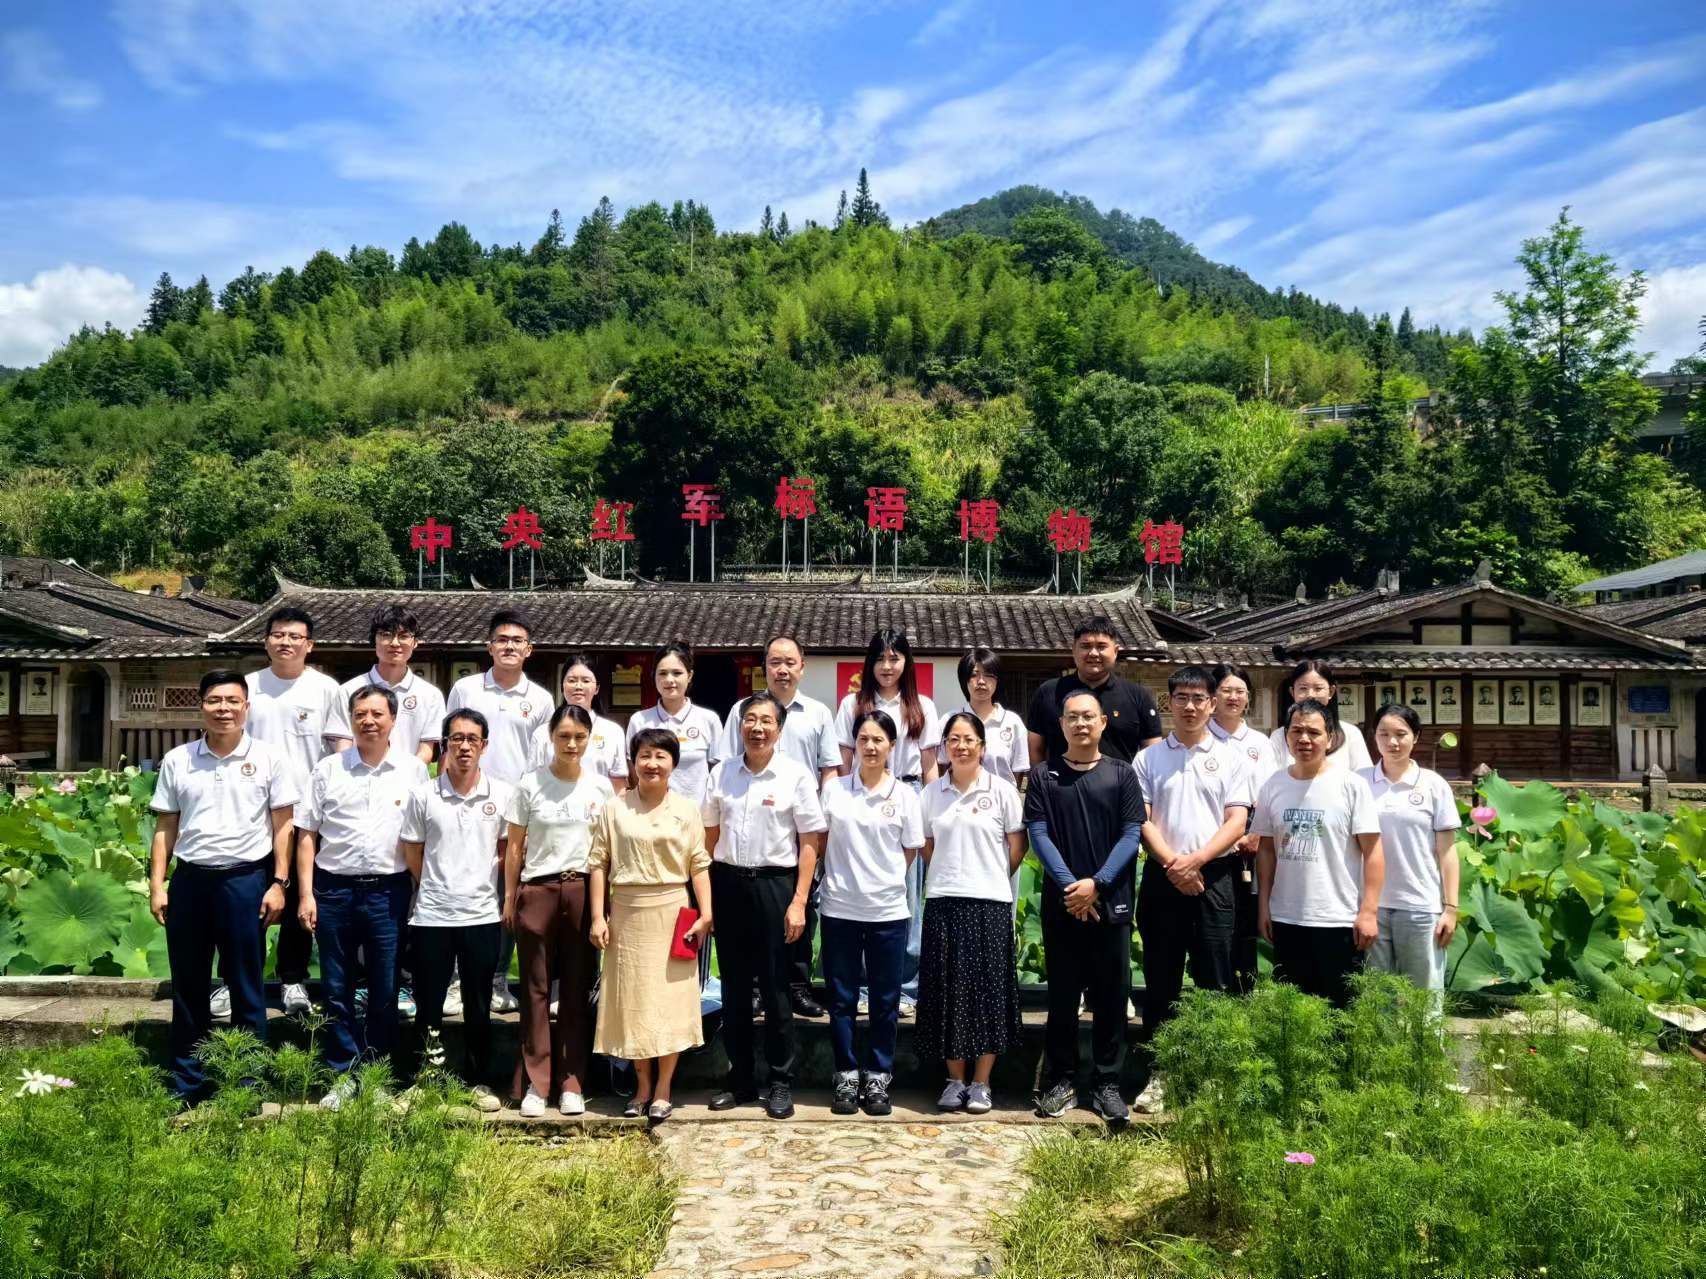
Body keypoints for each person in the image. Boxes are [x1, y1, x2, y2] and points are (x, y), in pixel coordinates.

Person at [149, 670, 297, 1102]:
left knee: (246, 986)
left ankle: (246, 1084)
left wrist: (279, 883)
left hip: (245, 881)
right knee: (189, 987)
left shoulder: (269, 758)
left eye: (233, 701)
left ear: (246, 707)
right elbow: (165, 827)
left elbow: (283, 826)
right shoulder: (178, 759)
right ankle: (186, 1083)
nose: (224, 709)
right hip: (191, 881)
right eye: (214, 700)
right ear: (202, 706)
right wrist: (158, 885)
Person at [1127, 668, 1254, 1115]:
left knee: (1214, 979)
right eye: (1181, 697)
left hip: (1214, 877)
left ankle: (1210, 1074)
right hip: (1163, 876)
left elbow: (1237, 821)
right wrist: (1173, 864)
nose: (1190, 706)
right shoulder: (1148, 759)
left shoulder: (1232, 758)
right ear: (1169, 703)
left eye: (1199, 698)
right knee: (1161, 980)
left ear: (1212, 704)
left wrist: (1196, 860)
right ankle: (1161, 1073)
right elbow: (1140, 819)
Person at [296, 685, 430, 1107]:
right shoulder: (328, 769)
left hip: (388, 891)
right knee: (336, 987)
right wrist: (305, 894)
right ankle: (342, 1073)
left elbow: (421, 836)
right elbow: (306, 835)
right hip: (333, 889)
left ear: (393, 720)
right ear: (351, 720)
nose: (368, 721)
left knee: (385, 988)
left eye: (377, 714)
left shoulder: (412, 771)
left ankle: (375, 1075)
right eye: (360, 714)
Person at [703, 691, 828, 1120]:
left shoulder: (795, 775)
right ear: (740, 725)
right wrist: (710, 896)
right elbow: (709, 835)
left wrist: (799, 901)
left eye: (766, 721)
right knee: (735, 990)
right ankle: (739, 1079)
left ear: (779, 728)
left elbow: (810, 841)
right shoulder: (721, 773)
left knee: (776, 990)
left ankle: (779, 1081)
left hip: (776, 886)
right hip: (729, 885)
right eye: (750, 720)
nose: (757, 728)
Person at [1026, 689, 1145, 1123]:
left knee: (1112, 997)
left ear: (1102, 723)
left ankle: (1106, 1083)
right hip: (1063, 904)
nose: (1080, 724)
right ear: (1061, 725)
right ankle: (1060, 1081)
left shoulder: (1121, 774)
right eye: (1072, 717)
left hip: (1110, 901)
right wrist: (1070, 886)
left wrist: (1097, 883)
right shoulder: (1044, 776)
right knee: (1062, 996)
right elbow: (1038, 833)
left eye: (1088, 717)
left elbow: (1131, 834)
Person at [588, 727, 714, 1122]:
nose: (652, 763)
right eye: (645, 755)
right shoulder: (615, 808)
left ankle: (664, 1088)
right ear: (633, 761)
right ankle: (642, 1085)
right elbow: (598, 862)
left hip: (674, 912)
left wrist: (706, 913)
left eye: (661, 756)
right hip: (626, 913)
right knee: (634, 1002)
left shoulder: (687, 809)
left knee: (670, 1002)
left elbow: (699, 864)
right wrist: (598, 915)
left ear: (673, 763)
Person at [330, 603, 447, 1022]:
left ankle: (404, 982)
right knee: (357, 895)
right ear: (374, 641)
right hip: (357, 798)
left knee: (406, 895)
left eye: (403, 636)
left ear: (415, 643)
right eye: (386, 635)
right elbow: (343, 744)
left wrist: (403, 776)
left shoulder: (429, 694)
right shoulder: (349, 690)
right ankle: (362, 985)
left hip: (408, 798)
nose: (394, 643)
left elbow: (430, 748)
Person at [719, 635, 839, 1019]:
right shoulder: (741, 711)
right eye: (775, 662)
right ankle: (756, 989)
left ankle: (798, 987)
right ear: (764, 667)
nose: (782, 669)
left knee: (800, 907)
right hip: (755, 825)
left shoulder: (818, 713)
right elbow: (726, 765)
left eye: (790, 662)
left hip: (802, 825)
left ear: (802, 667)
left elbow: (829, 770)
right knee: (751, 917)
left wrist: (823, 824)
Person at [504, 703, 614, 1117]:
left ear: (589, 740)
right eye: (564, 736)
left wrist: (604, 908)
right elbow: (515, 847)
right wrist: (510, 896)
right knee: (534, 989)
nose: (571, 744)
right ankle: (536, 1083)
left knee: (575, 989)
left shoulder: (600, 787)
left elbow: (605, 851)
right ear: (551, 737)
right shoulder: (530, 784)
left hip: (583, 889)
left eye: (579, 737)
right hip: (538, 889)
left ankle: (571, 1082)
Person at [398, 707, 509, 1112]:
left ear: (484, 746)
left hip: (482, 914)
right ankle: (425, 1079)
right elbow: (413, 851)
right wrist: (436, 884)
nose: (464, 746)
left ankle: (478, 1080)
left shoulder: (502, 794)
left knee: (478, 1004)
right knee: (429, 1003)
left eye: (472, 739)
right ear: (445, 745)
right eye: (457, 738)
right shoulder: (423, 795)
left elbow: (506, 851)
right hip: (432, 915)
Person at [448, 610, 554, 1015]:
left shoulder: (541, 699)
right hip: (466, 803)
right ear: (489, 646)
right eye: (502, 640)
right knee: (462, 888)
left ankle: (495, 979)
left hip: (515, 812)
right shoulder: (465, 689)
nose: (509, 646)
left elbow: (541, 762)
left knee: (507, 894)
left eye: (517, 641)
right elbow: (448, 747)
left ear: (529, 649)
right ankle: (457, 981)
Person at [919, 712, 1026, 1114]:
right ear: (945, 746)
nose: (961, 746)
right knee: (947, 991)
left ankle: (981, 1083)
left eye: (969, 739)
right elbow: (927, 845)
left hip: (990, 903)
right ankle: (954, 1081)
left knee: (987, 992)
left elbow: (1017, 846)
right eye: (954, 739)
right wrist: (950, 873)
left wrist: (990, 876)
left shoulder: (1002, 791)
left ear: (982, 746)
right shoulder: (932, 793)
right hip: (944, 901)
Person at [818, 710, 924, 1117]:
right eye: (863, 739)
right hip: (840, 908)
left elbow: (910, 849)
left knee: (885, 999)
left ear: (892, 746)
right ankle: (846, 1075)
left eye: (879, 740)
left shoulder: (906, 796)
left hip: (888, 911)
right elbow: (821, 840)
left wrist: (884, 878)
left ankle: (879, 1076)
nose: (870, 747)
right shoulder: (835, 790)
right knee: (842, 999)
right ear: (855, 744)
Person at [242, 606, 342, 1018]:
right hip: (252, 814)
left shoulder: (326, 689)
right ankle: (237, 980)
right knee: (248, 899)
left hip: (305, 814)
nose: (286, 642)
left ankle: (293, 979)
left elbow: (340, 748)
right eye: (278, 635)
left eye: (295, 636)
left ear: (309, 645)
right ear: (266, 641)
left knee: (302, 895)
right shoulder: (248, 687)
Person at [834, 627, 940, 1017]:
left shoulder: (922, 706)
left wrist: (930, 816)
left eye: (895, 658)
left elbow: (930, 768)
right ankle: (863, 987)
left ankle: (906, 988)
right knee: (860, 894)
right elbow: (844, 763)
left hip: (907, 797)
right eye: (880, 658)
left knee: (905, 896)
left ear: (906, 662)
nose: (887, 666)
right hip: (860, 799)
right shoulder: (852, 704)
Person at [1253, 699, 1385, 1009]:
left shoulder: (1351, 785)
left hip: (1338, 918)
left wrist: (1369, 911)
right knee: (1293, 1014)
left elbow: (1373, 850)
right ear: (1286, 736)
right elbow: (1267, 850)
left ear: (1330, 738)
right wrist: (1264, 906)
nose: (1304, 739)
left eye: (1313, 732)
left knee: (1340, 1011)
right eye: (1296, 731)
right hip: (1286, 917)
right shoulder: (1273, 785)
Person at [1361, 704, 1461, 999]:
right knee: (1377, 1000)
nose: (1392, 742)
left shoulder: (1433, 785)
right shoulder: (1359, 782)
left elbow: (1447, 852)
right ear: (1374, 737)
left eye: (1401, 734)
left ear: (1415, 737)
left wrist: (1451, 908)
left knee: (1424, 998)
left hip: (1420, 906)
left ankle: (1427, 1035)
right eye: (1384, 734)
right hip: (1371, 907)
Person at [1208, 663, 1281, 995]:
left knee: (1246, 918)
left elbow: (1270, 793)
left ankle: (1246, 991)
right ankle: (1215, 990)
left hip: (1253, 837)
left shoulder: (1259, 742)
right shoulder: (1202, 737)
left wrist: (1255, 834)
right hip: (1211, 837)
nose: (1233, 697)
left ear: (1248, 698)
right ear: (1213, 696)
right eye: (1226, 690)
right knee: (1216, 920)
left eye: (1240, 691)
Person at [1027, 617, 1164, 766]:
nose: (1093, 653)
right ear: (1074, 650)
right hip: (1059, 780)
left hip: (1120, 780)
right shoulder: (1048, 692)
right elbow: (1035, 748)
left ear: (1115, 651)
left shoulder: (1137, 696)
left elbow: (1152, 751)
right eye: (1085, 646)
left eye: (1101, 646)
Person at [625, 642, 724, 804]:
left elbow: (718, 771)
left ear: (689, 676)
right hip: (651, 811)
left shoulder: (708, 719)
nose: (669, 680)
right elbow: (633, 769)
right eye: (662, 673)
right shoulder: (639, 720)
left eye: (677, 673)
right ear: (654, 676)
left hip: (697, 812)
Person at [532, 654, 629, 792]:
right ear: (562, 686)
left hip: (599, 805)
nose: (578, 686)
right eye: (571, 680)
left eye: (586, 681)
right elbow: (532, 780)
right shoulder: (542, 733)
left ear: (597, 688)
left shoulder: (613, 732)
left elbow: (618, 786)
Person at [1266, 660, 1373, 773]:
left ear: (1331, 692)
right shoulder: (1278, 737)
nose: (1310, 695)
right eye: (1303, 688)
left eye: (1318, 688)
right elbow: (1270, 778)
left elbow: (1364, 777)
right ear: (1292, 692)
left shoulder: (1351, 733)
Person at [945, 646, 1029, 785]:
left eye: (988, 675)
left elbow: (1018, 772)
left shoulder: (1013, 722)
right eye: (974, 675)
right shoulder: (949, 720)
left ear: (998, 680)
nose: (981, 681)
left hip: (1001, 797)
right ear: (964, 679)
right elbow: (941, 765)